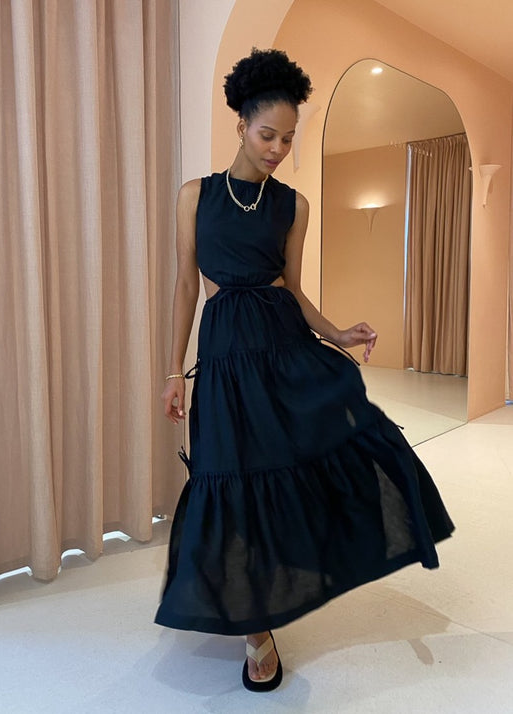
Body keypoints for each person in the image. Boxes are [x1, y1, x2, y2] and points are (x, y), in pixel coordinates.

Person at [155, 48, 454, 693]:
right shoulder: (194, 196)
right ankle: (256, 628)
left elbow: (292, 289)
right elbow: (184, 286)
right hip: (225, 357)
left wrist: (337, 333)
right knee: (229, 477)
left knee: (323, 456)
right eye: (268, 135)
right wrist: (173, 370)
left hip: (284, 349)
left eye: (288, 139)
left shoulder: (294, 205)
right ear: (241, 125)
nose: (278, 149)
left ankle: (265, 613)